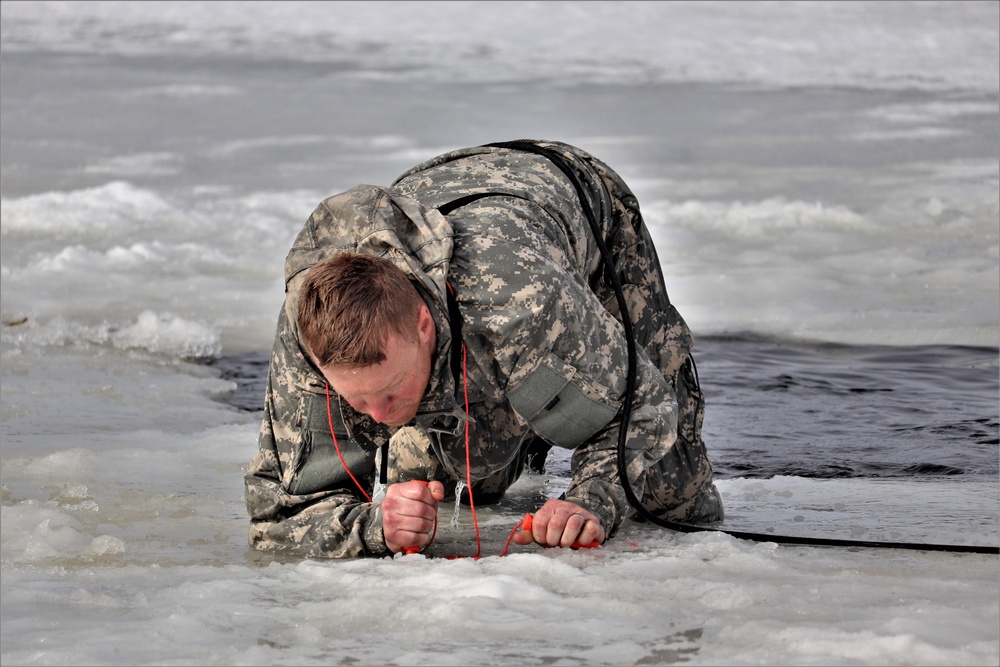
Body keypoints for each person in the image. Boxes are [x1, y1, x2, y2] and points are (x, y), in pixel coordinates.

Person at [244, 139, 723, 558]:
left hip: (573, 205)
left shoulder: (522, 303)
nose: (381, 415)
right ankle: (532, 408)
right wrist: (373, 527)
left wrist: (590, 500)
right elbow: (279, 518)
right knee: (456, 476)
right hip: (440, 204)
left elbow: (643, 405)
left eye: (389, 390)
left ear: (423, 326)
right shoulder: (308, 333)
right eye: (356, 399)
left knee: (670, 495)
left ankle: (557, 394)